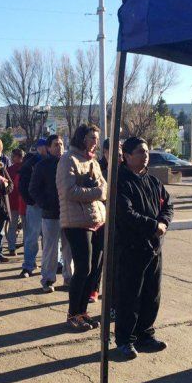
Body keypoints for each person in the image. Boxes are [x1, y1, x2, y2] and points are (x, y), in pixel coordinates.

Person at [113, 137, 174, 360]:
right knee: (130, 296)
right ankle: (125, 340)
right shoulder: (121, 181)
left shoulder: (153, 181)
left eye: (146, 151)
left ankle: (145, 335)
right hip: (131, 248)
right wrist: (152, 226)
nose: (145, 155)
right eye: (139, 152)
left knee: (152, 294)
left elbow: (168, 205)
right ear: (127, 156)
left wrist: (164, 223)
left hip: (154, 248)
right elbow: (126, 214)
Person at [57, 123, 107, 332]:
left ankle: (83, 311)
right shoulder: (68, 159)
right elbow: (69, 191)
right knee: (83, 269)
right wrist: (96, 192)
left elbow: (104, 185)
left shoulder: (93, 161)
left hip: (97, 221)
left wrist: (99, 190)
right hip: (77, 223)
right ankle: (73, 313)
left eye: (96, 138)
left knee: (93, 270)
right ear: (81, 138)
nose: (95, 142)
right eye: (92, 138)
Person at [30, 135, 72, 293]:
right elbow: (33, 189)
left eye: (61, 144)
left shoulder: (69, 163)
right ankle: (48, 279)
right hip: (50, 215)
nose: (59, 147)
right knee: (50, 249)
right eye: (56, 145)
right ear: (48, 148)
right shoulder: (42, 166)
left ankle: (69, 278)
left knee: (69, 249)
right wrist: (46, 204)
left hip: (69, 214)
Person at [18, 139, 49, 278]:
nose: (45, 149)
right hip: (35, 206)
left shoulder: (56, 161)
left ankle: (53, 264)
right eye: (42, 147)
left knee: (51, 238)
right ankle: (28, 265)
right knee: (32, 236)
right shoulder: (30, 163)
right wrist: (31, 201)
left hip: (50, 206)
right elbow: (23, 185)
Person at [6, 148, 25, 256]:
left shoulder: (9, 170)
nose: (12, 158)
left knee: (12, 226)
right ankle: (26, 247)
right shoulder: (27, 168)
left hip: (12, 201)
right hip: (24, 201)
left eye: (13, 156)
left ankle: (11, 247)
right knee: (27, 227)